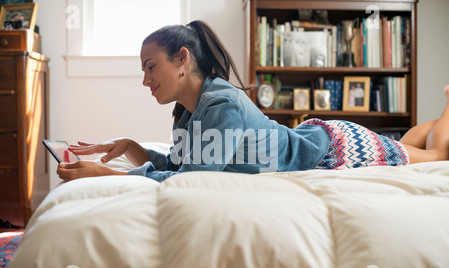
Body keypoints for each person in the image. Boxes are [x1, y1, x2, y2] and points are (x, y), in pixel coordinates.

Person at [57, 20, 449, 183]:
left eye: (150, 67)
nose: (145, 80)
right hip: (313, 136)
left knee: (436, 157)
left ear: (182, 59)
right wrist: (136, 150)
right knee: (414, 143)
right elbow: (182, 166)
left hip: (333, 150)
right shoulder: (186, 113)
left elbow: (194, 182)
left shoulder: (221, 104)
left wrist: (109, 175)